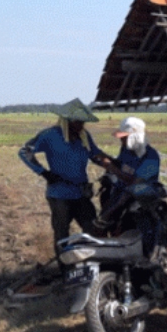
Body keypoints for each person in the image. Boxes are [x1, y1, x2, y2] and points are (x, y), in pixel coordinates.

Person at [16, 98, 113, 296]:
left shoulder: (84, 136)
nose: (81, 125)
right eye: (77, 122)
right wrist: (43, 172)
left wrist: (112, 164)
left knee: (92, 228)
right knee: (62, 234)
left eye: (83, 122)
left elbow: (95, 154)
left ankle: (95, 268)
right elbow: (24, 151)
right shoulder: (49, 135)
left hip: (80, 193)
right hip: (59, 195)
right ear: (67, 121)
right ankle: (66, 273)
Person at [93, 116, 161, 234]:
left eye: (124, 138)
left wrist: (112, 168)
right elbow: (121, 164)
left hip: (137, 200)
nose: (121, 141)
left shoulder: (151, 157)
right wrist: (106, 158)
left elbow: (135, 182)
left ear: (135, 137)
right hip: (119, 193)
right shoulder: (125, 150)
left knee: (123, 227)